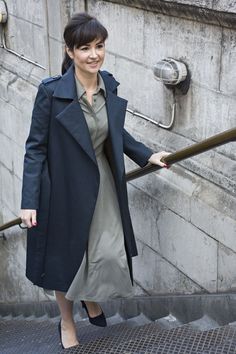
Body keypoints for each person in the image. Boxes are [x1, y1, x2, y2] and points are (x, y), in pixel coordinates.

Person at [20, 12, 170, 349]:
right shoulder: (51, 93)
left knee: (105, 252)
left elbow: (116, 133)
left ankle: (90, 299)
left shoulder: (109, 85)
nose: (93, 54)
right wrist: (29, 200)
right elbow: (35, 148)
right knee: (66, 261)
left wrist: (147, 155)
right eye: (84, 47)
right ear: (70, 51)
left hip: (102, 184)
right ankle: (68, 321)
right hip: (62, 189)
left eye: (99, 46)